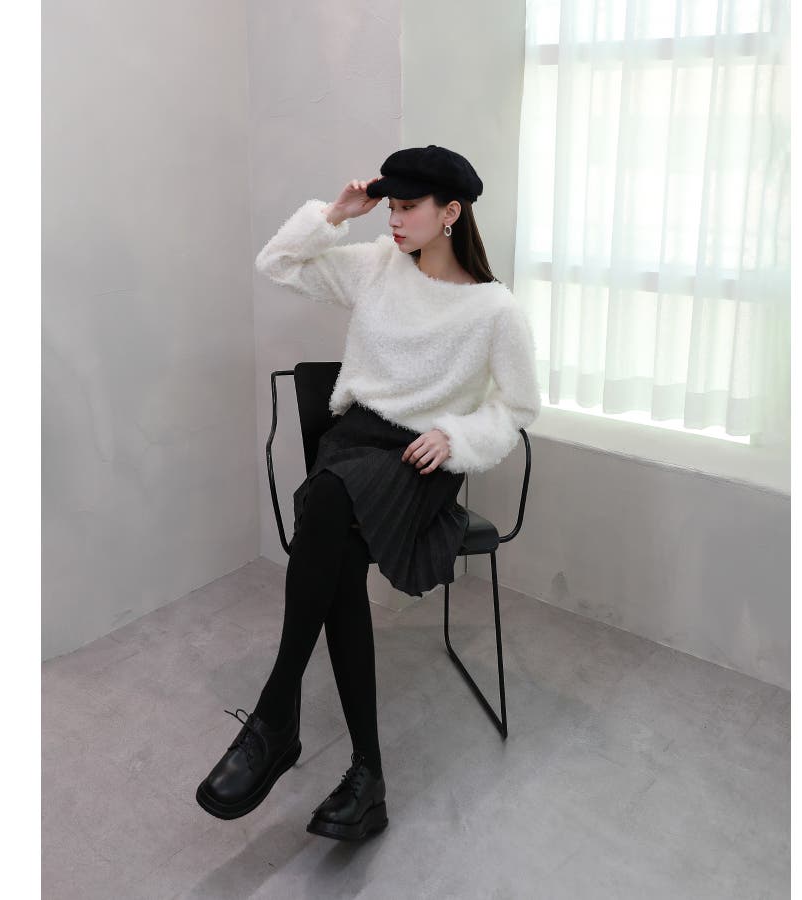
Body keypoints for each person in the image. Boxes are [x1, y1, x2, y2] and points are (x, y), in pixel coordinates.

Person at [195, 145, 542, 842]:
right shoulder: (379, 266)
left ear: (451, 212)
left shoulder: (495, 310)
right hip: (354, 441)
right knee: (338, 540)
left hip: (418, 462)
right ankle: (364, 778)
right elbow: (277, 263)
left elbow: (518, 407)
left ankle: (277, 719)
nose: (393, 219)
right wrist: (333, 214)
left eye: (408, 207)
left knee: (329, 512)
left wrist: (456, 437)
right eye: (390, 206)